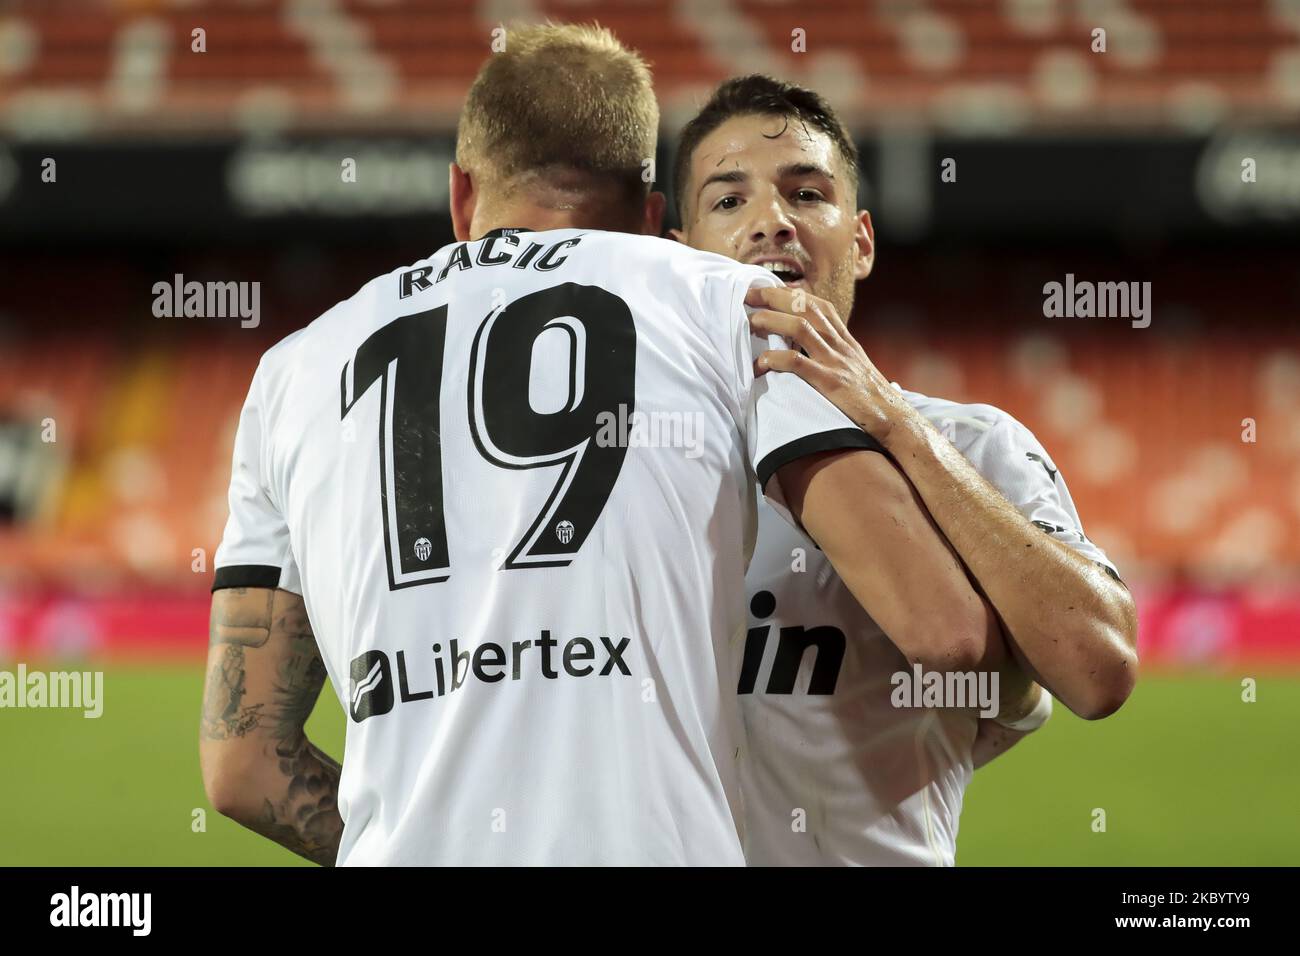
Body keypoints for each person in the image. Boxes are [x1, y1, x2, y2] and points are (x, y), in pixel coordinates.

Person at [198, 27, 1000, 866]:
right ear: (655, 215)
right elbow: (941, 627)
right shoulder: (735, 306)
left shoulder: (293, 371)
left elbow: (241, 763)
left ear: (461, 195)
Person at [672, 75, 1138, 865]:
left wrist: (895, 423)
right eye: (728, 202)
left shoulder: (975, 441)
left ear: (860, 241)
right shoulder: (641, 461)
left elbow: (1099, 670)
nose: (771, 223)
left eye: (807, 193)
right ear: (676, 258)